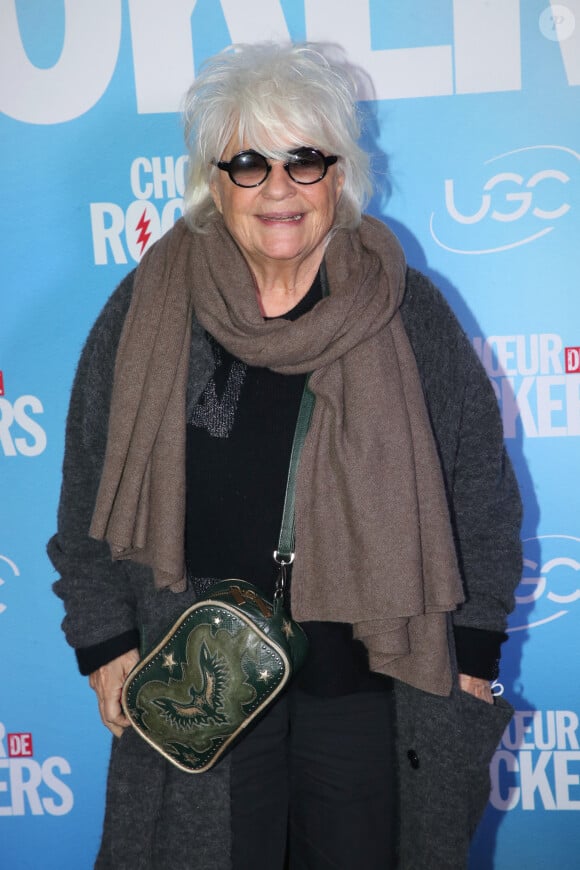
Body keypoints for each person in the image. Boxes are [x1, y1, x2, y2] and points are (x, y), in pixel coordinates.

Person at [48, 42, 522, 869]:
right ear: (214, 179)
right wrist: (104, 643)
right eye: (248, 162)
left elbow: (479, 489)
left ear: (338, 176)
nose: (278, 188)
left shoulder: (406, 312)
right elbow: (89, 482)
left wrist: (475, 657)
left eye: (304, 161)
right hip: (201, 677)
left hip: (371, 683)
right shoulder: (149, 307)